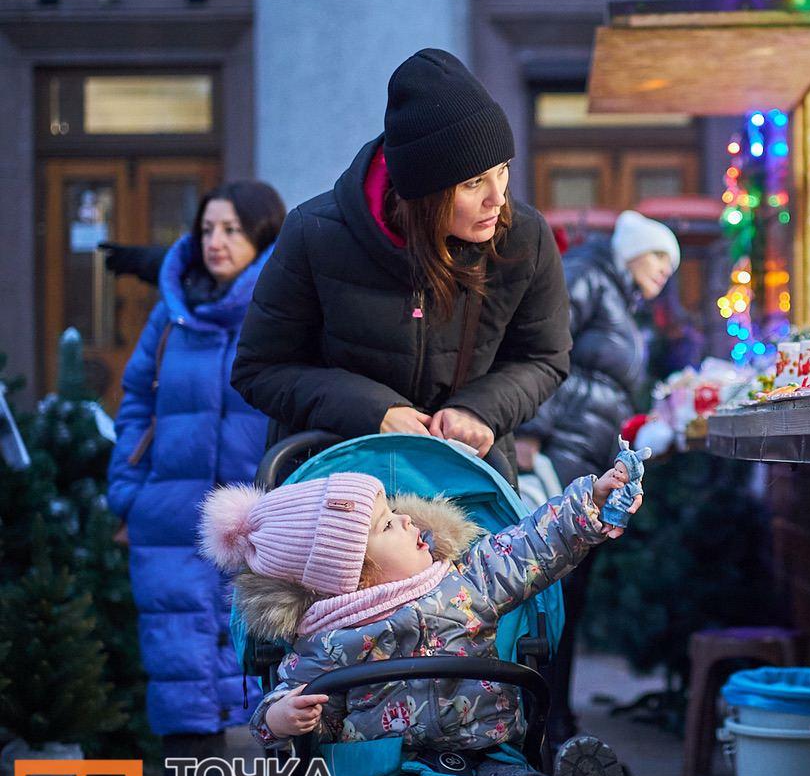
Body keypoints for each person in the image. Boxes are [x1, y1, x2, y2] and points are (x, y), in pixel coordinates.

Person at [199, 459, 641, 776]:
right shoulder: (323, 642)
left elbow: (529, 546)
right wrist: (280, 717)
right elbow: (277, 709)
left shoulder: (467, 583)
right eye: (388, 525)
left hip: (484, 757)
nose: (409, 519)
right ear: (352, 570)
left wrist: (589, 502)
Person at [231, 48, 570, 471]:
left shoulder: (525, 236)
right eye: (473, 182)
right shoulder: (315, 233)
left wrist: (481, 410)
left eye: (502, 169)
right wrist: (372, 412)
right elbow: (259, 369)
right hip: (340, 489)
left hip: (466, 486)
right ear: (423, 191)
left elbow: (544, 357)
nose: (498, 198)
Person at [107, 179, 286, 776]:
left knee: (279, 676)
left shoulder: (282, 305)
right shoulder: (173, 311)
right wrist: (127, 493)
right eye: (209, 228)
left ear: (263, 238)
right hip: (174, 520)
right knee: (183, 682)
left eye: (233, 230)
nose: (216, 242)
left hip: (261, 522)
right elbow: (134, 401)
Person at [516, 209, 679, 742]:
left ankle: (558, 720)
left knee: (570, 590)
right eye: (659, 255)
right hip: (558, 453)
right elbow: (543, 343)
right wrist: (531, 431)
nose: (664, 270)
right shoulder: (587, 274)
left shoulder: (619, 295)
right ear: (631, 250)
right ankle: (544, 726)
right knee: (554, 588)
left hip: (583, 455)